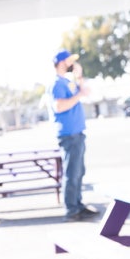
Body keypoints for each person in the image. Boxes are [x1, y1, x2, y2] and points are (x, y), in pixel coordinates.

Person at [51, 49, 98, 222]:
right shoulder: (57, 83)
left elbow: (83, 91)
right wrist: (78, 94)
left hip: (77, 133)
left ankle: (77, 205)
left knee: (78, 172)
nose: (72, 64)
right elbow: (59, 106)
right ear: (62, 63)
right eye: (70, 61)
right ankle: (71, 210)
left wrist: (79, 77)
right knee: (71, 173)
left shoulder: (67, 82)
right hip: (69, 135)